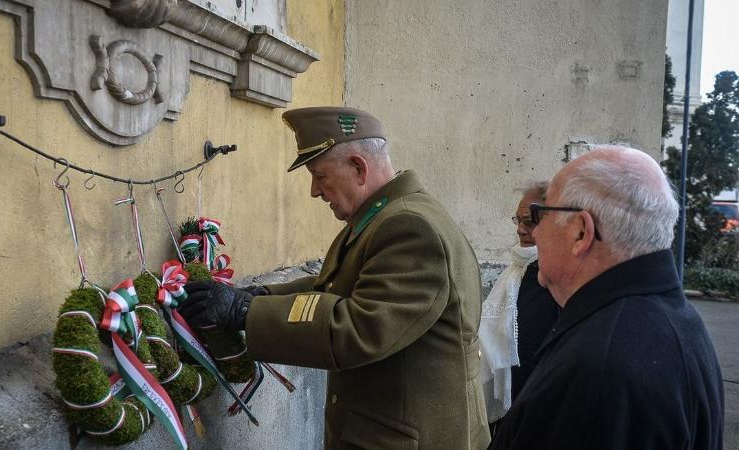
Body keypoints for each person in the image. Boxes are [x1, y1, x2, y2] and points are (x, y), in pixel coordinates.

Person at [179, 106, 490, 449]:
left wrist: (244, 312)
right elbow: (331, 287)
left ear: (358, 167)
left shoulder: (408, 227)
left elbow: (362, 327)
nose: (315, 191)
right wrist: (258, 296)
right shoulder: (383, 217)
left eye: (319, 175)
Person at [489, 145, 724, 450]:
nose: (534, 233)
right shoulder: (675, 320)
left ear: (581, 233)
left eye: (540, 215)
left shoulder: (597, 367)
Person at [479, 182, 559, 429]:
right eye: (518, 221)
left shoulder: (556, 277)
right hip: (510, 409)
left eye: (530, 222)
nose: (521, 231)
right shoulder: (517, 272)